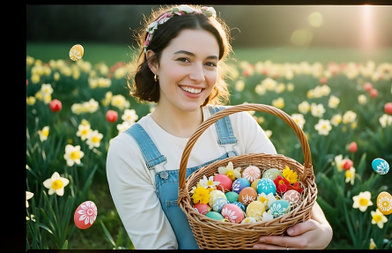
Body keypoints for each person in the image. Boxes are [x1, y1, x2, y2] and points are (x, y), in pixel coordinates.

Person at [106, 4, 332, 249]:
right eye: (184, 59)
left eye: (210, 64)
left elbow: (286, 186)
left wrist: (324, 230)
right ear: (154, 63)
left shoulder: (238, 124)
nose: (199, 76)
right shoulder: (130, 151)